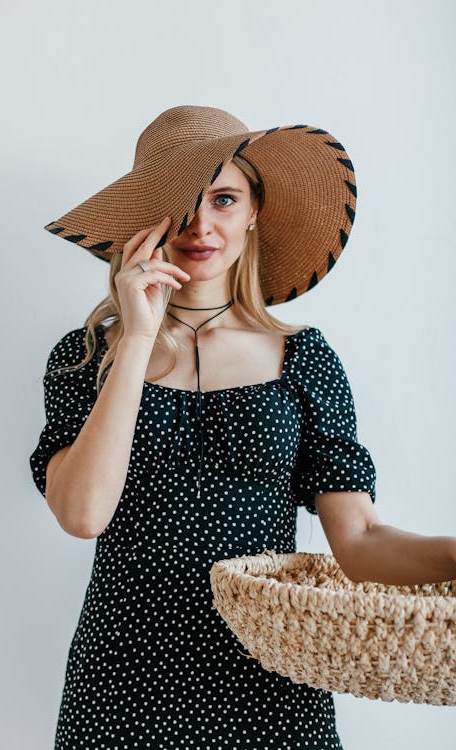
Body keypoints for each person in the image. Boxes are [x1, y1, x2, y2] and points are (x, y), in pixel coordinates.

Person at [29, 105, 456, 749]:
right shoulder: (87, 356)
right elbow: (83, 514)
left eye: (223, 199)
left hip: (271, 676)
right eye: (180, 202)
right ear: (146, 220)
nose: (201, 225)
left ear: (254, 211)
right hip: (123, 681)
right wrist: (138, 337)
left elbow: (360, 539)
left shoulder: (304, 360)